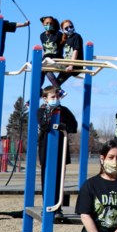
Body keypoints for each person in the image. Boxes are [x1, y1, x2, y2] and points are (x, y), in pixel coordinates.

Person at [37, 86, 78, 220]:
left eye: (57, 97)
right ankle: (47, 205)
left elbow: (74, 126)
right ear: (45, 98)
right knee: (47, 178)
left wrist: (63, 126)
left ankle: (58, 208)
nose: (55, 99)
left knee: (59, 179)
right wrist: (50, 113)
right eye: (52, 97)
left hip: (61, 148)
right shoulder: (42, 111)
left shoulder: (64, 111)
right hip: (47, 149)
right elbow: (43, 125)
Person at [56, 19, 84, 86]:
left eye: (71, 27)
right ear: (63, 30)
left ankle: (57, 92)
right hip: (67, 64)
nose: (69, 29)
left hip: (74, 65)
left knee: (56, 83)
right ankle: (56, 91)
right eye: (66, 28)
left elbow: (75, 51)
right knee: (54, 80)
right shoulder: (65, 39)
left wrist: (71, 65)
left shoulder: (76, 36)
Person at [39, 15, 64, 90]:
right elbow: (45, 49)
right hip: (46, 58)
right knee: (40, 69)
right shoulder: (42, 35)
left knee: (45, 67)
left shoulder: (58, 34)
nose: (48, 25)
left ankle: (58, 89)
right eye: (46, 23)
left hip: (56, 57)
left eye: (50, 23)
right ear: (43, 24)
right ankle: (37, 89)